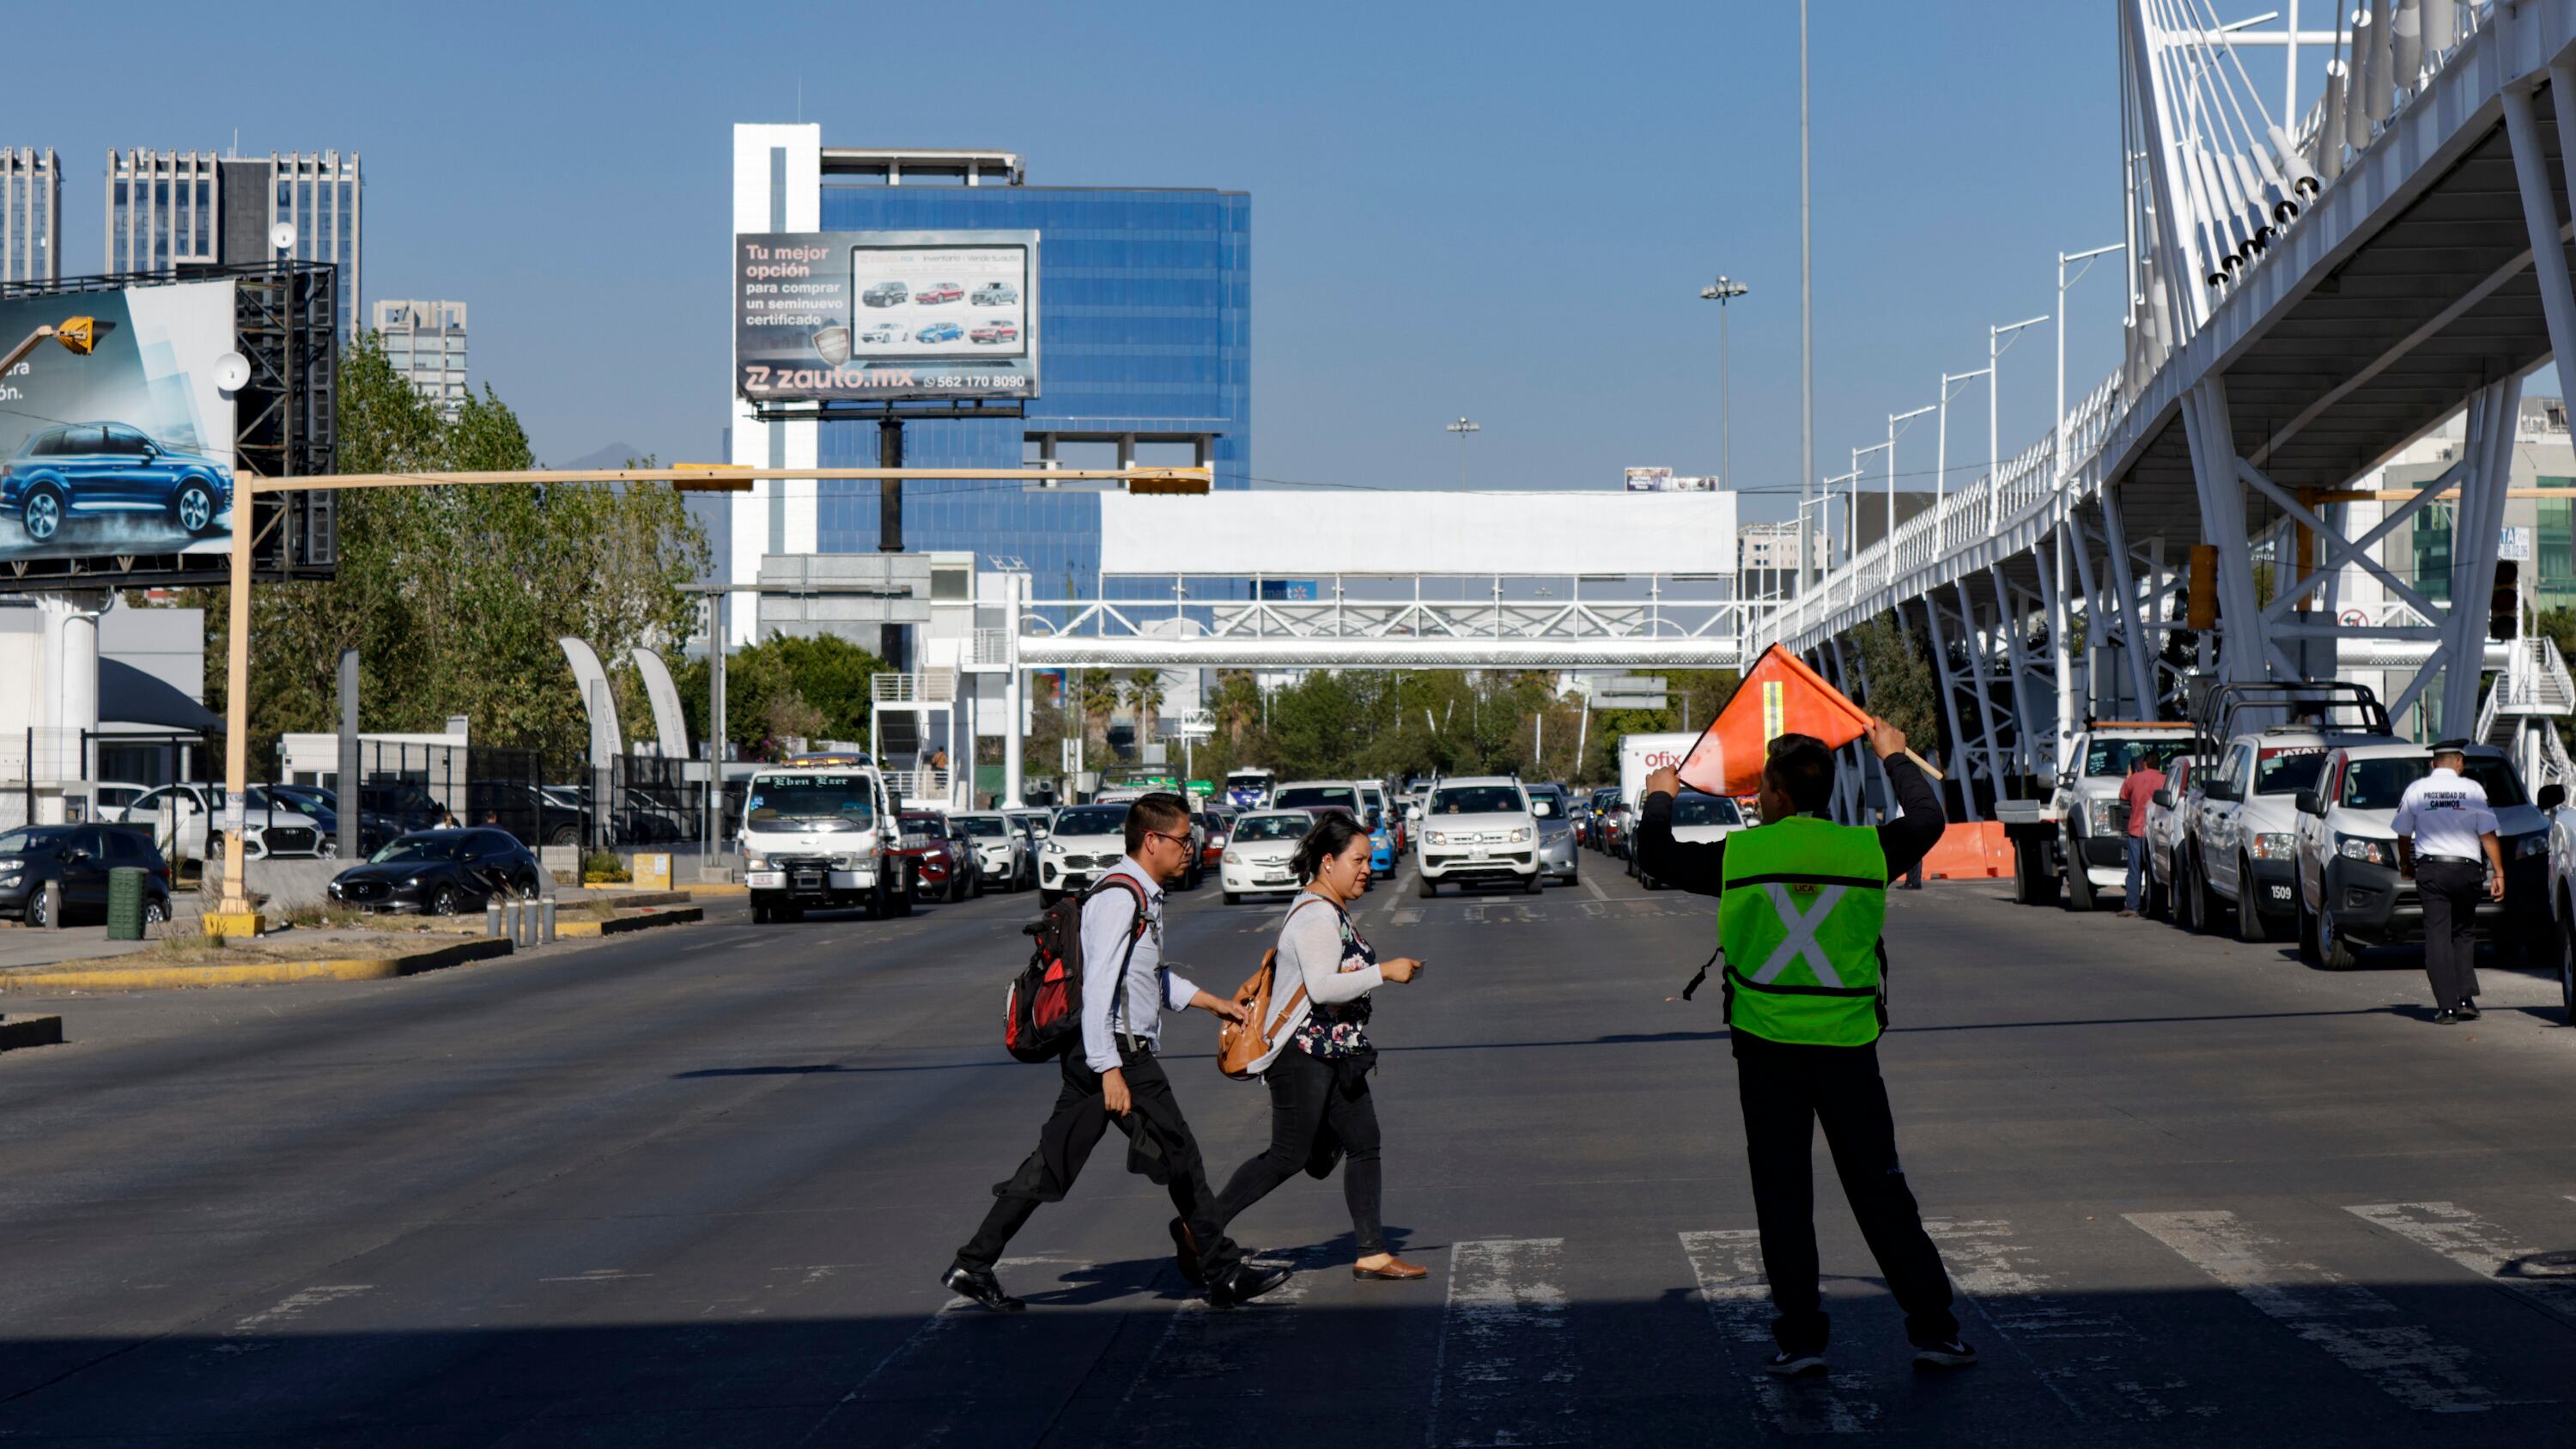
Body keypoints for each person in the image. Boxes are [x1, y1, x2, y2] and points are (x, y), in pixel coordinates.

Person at [1637, 722, 1976, 1378]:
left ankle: (1801, 1340)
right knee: (1881, 1194)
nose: (1758, 795)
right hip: (1848, 1048)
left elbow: (1656, 852)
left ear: (1782, 794)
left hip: (1766, 1049)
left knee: (1784, 1197)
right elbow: (1930, 817)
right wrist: (1893, 754)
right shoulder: (1865, 850)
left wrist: (1660, 794)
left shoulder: (1741, 855)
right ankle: (1935, 1329)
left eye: (1764, 784)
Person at [943, 792, 1291, 1312]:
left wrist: (1212, 1003)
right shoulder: (1120, 898)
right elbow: (1100, 989)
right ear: (1152, 841)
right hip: (1119, 1055)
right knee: (1183, 1157)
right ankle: (1224, 1271)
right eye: (1182, 838)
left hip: (1102, 1054)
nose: (1191, 847)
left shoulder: (1138, 894)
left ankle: (973, 1264)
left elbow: (1147, 977)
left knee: (1053, 1163)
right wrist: (1110, 1070)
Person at [1208, 813, 1426, 1281]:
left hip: (1338, 1053)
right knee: (1287, 1156)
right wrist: (1384, 971)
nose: (1366, 869)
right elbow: (1323, 988)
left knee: (1365, 1144)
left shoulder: (1329, 909)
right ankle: (1201, 1226)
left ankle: (1371, 1251)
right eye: (1358, 860)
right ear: (1328, 862)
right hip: (1303, 1056)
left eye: (1369, 860)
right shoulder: (1315, 915)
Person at [2391, 740, 2503, 1026]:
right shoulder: (2473, 790)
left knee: (2438, 935)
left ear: (2433, 764)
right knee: (2464, 932)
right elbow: (2488, 834)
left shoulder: (2416, 790)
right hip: (2467, 870)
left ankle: (2447, 1007)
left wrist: (2406, 864)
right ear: (2459, 763)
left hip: (2433, 870)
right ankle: (2466, 999)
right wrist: (2499, 873)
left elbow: (2403, 834)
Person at [2116, 751, 2166, 917]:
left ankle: (2132, 905)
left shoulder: (2136, 779)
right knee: (2155, 869)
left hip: (2137, 829)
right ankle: (2157, 906)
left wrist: (2129, 775)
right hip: (2157, 832)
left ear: (2144, 763)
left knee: (2135, 869)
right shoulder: (2164, 779)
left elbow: (2123, 795)